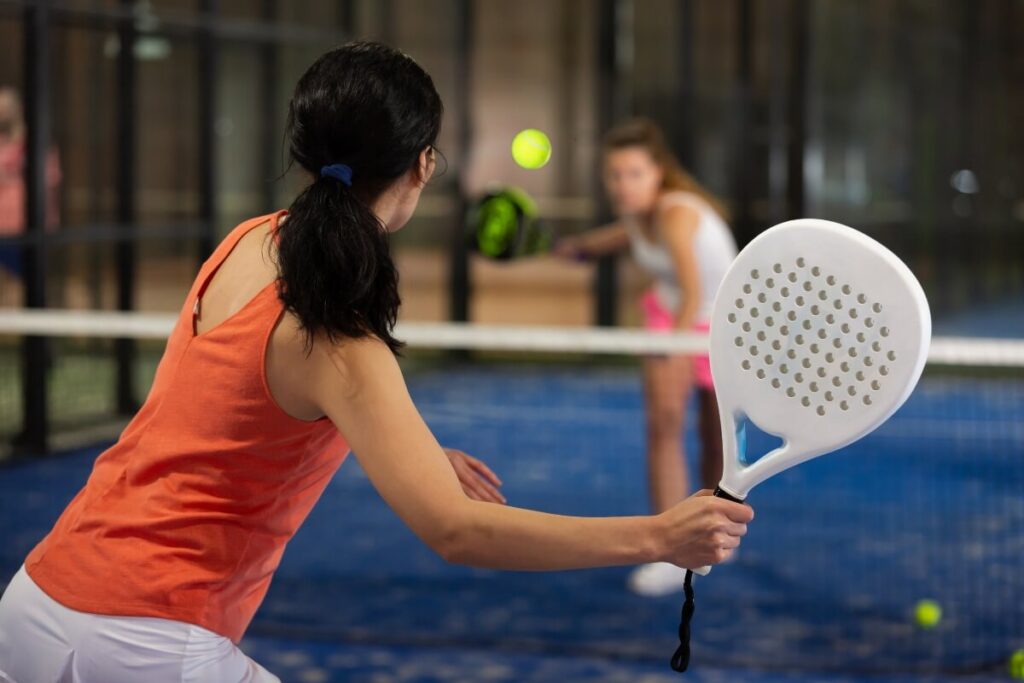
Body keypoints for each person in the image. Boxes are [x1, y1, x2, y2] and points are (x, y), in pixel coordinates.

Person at [0, 44, 752, 683]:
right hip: (145, 639)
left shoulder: (247, 241)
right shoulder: (339, 332)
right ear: (422, 165)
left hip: (35, 601)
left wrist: (414, 449)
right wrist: (659, 535)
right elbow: (458, 531)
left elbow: (250, 410)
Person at [554, 119, 739, 597]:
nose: (623, 184)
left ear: (658, 173)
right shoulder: (636, 216)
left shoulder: (677, 214)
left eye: (634, 173)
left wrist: (678, 349)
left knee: (715, 442)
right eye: (614, 174)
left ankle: (714, 533)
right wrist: (572, 249)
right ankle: (671, 551)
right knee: (663, 425)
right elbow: (609, 240)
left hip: (720, 326)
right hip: (669, 315)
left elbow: (695, 289)